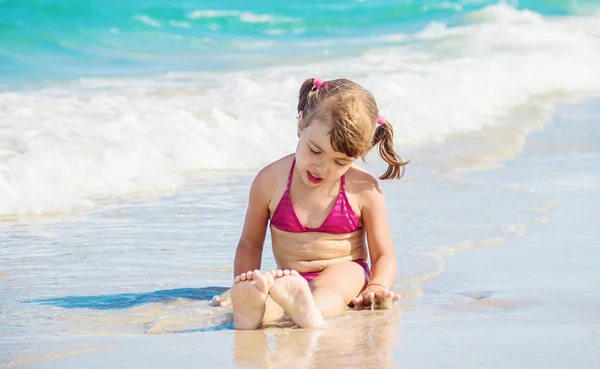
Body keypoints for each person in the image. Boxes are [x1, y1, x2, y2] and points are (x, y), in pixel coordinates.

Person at [229, 77, 408, 330]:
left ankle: (311, 312)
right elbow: (249, 244)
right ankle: (252, 311)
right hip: (289, 281)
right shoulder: (270, 181)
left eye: (340, 162)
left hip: (346, 272)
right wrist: (243, 282)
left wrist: (377, 286)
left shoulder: (364, 189)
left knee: (331, 287)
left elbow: (384, 255)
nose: (323, 168)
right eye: (315, 151)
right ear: (301, 124)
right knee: (270, 297)